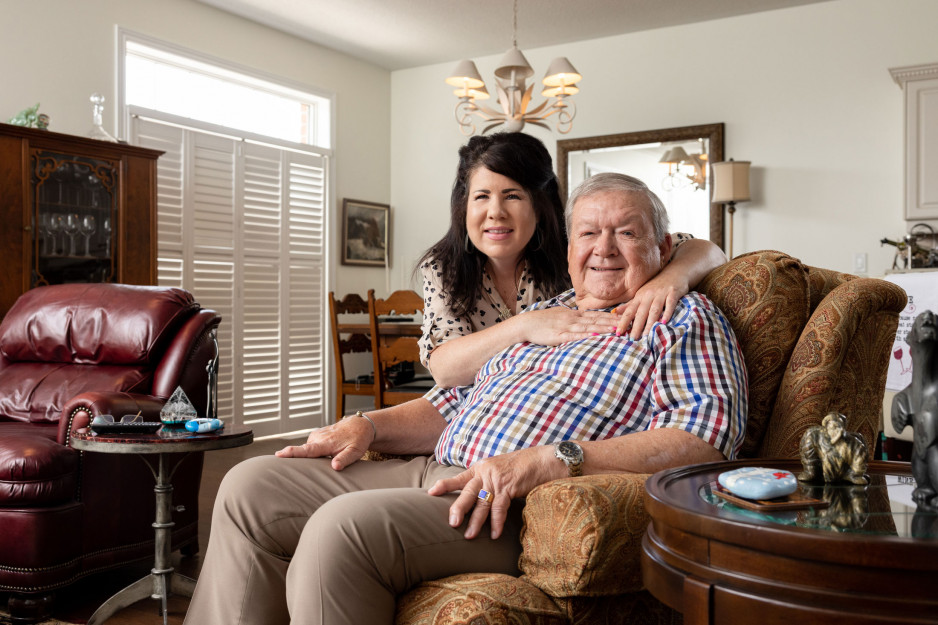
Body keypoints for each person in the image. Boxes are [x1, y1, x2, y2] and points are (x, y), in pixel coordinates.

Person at [182, 173, 747, 625]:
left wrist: (555, 459)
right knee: (250, 485)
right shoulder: (548, 312)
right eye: (588, 233)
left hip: (515, 501)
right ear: (570, 245)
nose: (604, 249)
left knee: (342, 529)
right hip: (434, 469)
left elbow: (704, 440)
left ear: (663, 247)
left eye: (626, 233)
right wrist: (368, 426)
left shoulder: (683, 317)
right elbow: (452, 403)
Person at [418, 132, 727, 388]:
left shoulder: (582, 249)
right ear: (464, 206)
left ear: (539, 206)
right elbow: (444, 370)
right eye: (481, 196)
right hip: (475, 401)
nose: (495, 212)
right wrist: (527, 325)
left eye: (512, 196)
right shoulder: (444, 266)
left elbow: (703, 250)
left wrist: (671, 279)